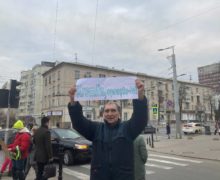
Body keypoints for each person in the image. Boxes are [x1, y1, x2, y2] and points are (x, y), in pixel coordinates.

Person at [68, 79, 148, 180]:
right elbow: (78, 123)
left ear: (119, 113)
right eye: (107, 111)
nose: (110, 114)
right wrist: (73, 102)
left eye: (113, 110)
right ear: (103, 114)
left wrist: (140, 96)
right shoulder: (96, 129)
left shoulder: (127, 129)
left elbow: (140, 119)